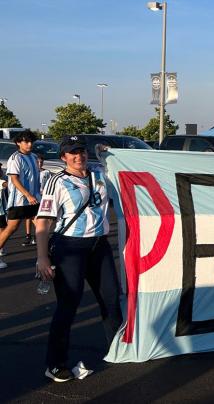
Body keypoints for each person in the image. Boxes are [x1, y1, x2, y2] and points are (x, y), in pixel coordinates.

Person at [35, 136, 122, 382]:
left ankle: (118, 348)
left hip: (99, 245)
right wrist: (42, 257)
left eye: (81, 151)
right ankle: (55, 363)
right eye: (72, 152)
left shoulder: (97, 171)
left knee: (111, 298)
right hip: (70, 247)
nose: (78, 156)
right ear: (63, 157)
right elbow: (43, 221)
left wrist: (105, 152)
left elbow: (123, 168)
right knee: (68, 305)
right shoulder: (57, 181)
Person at [0, 130, 41, 269]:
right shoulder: (15, 158)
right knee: (12, 228)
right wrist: (28, 195)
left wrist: (37, 194)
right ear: (18, 143)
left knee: (42, 226)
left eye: (31, 142)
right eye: (26, 141)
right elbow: (14, 179)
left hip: (34, 200)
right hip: (19, 200)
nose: (29, 144)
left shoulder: (34, 156)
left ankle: (45, 257)